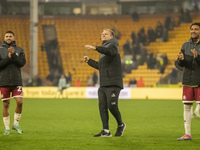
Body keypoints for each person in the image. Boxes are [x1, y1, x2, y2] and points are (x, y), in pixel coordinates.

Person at [84, 28, 126, 137]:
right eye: (102, 33)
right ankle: (106, 131)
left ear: (111, 37)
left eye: (106, 34)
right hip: (103, 84)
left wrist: (95, 48)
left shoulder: (113, 46)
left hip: (113, 83)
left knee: (112, 106)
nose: (103, 35)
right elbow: (100, 66)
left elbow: (109, 52)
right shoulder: (103, 50)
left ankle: (121, 125)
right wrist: (89, 61)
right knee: (102, 107)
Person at [177, 23, 200, 141]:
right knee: (187, 107)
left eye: (196, 29)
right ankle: (187, 134)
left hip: (199, 80)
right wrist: (181, 60)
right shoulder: (185, 45)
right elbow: (179, 64)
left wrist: (198, 58)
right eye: (192, 29)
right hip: (188, 81)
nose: (193, 31)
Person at [0, 31, 26, 135]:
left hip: (16, 81)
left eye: (10, 36)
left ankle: (15, 124)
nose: (8, 38)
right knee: (6, 104)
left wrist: (14, 54)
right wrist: (8, 57)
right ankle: (7, 128)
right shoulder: (0, 50)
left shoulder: (19, 50)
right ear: (4, 38)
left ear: (14, 38)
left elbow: (22, 63)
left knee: (20, 102)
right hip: (4, 81)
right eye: (7, 36)